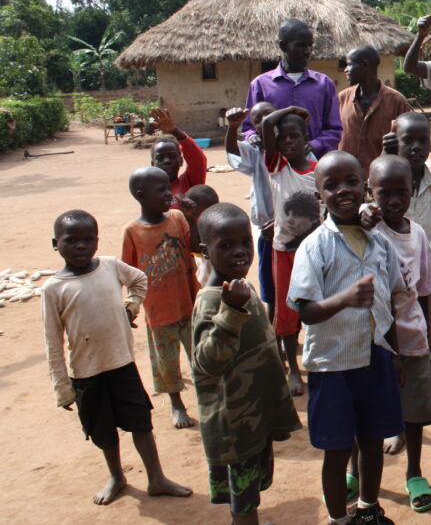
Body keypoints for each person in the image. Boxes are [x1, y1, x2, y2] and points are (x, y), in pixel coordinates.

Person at [42, 210, 192, 506]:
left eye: (87, 239)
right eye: (71, 240)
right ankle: (116, 476)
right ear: (55, 243)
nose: (81, 246)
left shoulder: (110, 266)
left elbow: (139, 279)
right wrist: (62, 387)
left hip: (122, 365)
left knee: (141, 423)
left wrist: (131, 307)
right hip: (86, 373)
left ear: (97, 241)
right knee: (103, 430)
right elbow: (53, 342)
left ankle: (156, 478)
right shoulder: (53, 289)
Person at [288, 150, 405, 525]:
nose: (343, 191)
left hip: (375, 358)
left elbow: (392, 303)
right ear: (319, 194)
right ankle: (339, 519)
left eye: (352, 182)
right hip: (333, 365)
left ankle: (368, 509)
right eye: (331, 185)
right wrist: (345, 299)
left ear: (365, 187)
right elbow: (304, 309)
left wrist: (397, 352)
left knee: (372, 441)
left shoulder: (380, 242)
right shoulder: (315, 246)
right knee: (337, 450)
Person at [191, 203, 301, 525]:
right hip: (234, 424)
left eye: (244, 243)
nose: (239, 252)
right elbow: (205, 362)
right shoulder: (212, 300)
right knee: (243, 497)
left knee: (250, 491)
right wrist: (229, 314)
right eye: (225, 246)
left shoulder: (241, 287)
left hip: (253, 413)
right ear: (204, 251)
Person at [364, 154, 431, 514]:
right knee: (364, 413)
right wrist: (362, 214)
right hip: (370, 345)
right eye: (384, 192)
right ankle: (355, 473)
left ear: (413, 192)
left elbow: (425, 288)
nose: (394, 200)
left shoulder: (418, 234)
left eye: (403, 191)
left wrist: (422, 335)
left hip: (411, 341)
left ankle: (414, 472)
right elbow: (338, 221)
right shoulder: (366, 230)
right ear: (371, 192)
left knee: (413, 414)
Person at [384, 112, 431, 442]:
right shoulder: (387, 184)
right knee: (398, 353)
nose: (416, 147)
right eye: (407, 141)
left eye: (422, 141)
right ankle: (400, 424)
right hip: (395, 286)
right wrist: (384, 158)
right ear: (394, 143)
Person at [121, 166, 201, 429]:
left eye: (168, 187)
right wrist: (130, 307)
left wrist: (191, 218)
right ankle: (176, 402)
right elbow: (128, 273)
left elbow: (196, 247)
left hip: (189, 302)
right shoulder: (132, 231)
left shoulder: (177, 218)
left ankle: (206, 396)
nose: (168, 193)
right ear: (141, 195)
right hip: (159, 309)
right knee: (165, 361)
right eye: (161, 190)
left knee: (200, 354)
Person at [262, 105, 320, 397]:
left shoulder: (318, 171)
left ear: (306, 139)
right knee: (286, 313)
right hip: (283, 250)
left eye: (294, 135)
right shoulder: (277, 167)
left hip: (316, 253)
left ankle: (318, 362)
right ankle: (293, 370)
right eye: (282, 137)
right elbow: (265, 127)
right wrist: (289, 109)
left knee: (318, 306)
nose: (287, 141)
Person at [242, 19, 342, 157]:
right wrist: (252, 137)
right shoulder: (260, 85)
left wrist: (314, 145)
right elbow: (248, 127)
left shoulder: (324, 84)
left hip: (314, 166)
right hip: (275, 166)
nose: (308, 51)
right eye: (300, 45)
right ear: (283, 46)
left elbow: (334, 129)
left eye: (310, 45)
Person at [225, 103, 285, 316]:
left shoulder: (296, 147)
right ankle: (274, 331)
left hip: (295, 230)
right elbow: (233, 151)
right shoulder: (256, 152)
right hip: (267, 232)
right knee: (270, 286)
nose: (265, 121)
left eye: (269, 114)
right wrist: (233, 127)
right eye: (257, 119)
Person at [338, 45, 412, 170]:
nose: (346, 70)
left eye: (350, 65)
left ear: (365, 65)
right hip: (346, 179)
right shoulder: (342, 99)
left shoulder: (396, 101)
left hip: (383, 179)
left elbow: (408, 140)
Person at [149, 107, 207, 207]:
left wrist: (175, 131)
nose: (167, 161)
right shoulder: (150, 192)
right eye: (160, 158)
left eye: (172, 156)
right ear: (153, 164)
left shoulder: (190, 183)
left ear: (180, 161)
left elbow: (198, 159)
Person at [179, 184, 219, 287]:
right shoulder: (190, 226)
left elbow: (198, 249)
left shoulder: (219, 226)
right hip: (205, 283)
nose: (207, 215)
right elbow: (197, 249)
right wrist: (190, 220)